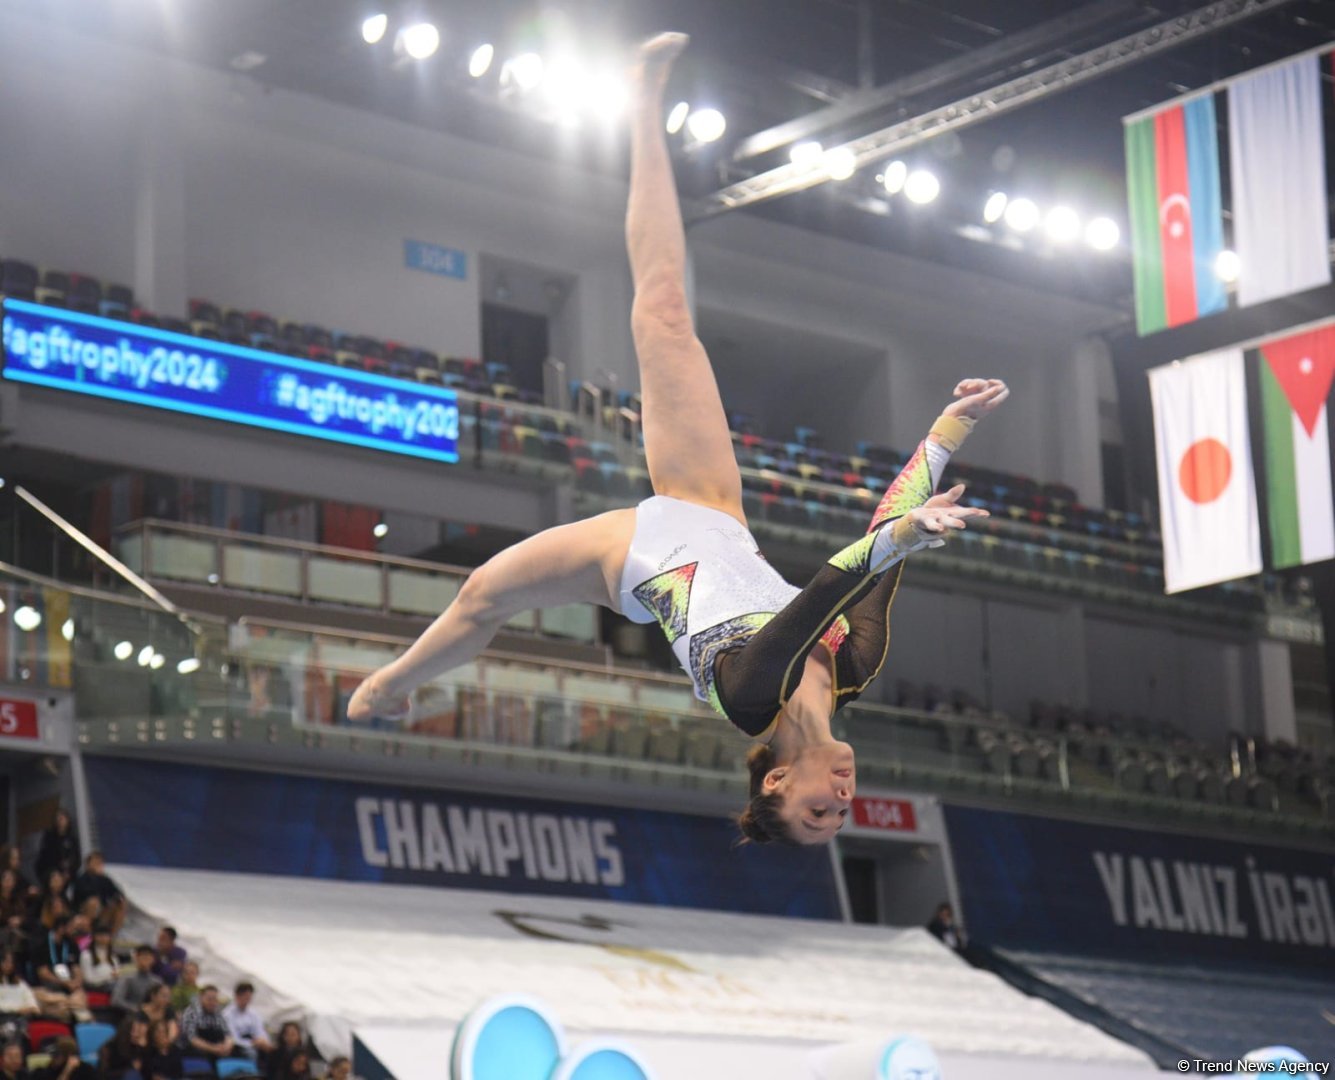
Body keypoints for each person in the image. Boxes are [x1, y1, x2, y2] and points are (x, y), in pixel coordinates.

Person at [347, 33, 1008, 847]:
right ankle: (641, 102)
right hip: (710, 510)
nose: (843, 796)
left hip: (624, 555)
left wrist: (907, 536)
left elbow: (821, 594)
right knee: (661, 305)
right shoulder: (855, 669)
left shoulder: (748, 698)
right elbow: (878, 550)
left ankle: (390, 684)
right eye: (843, 812)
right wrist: (951, 428)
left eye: (816, 810)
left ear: (774, 780)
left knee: (481, 595)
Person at [25, 914, 90, 1022]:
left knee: (80, 1001)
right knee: (61, 1005)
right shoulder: (42, 943)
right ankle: (69, 1006)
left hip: (69, 988)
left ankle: (71, 1006)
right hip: (45, 988)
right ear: (61, 928)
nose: (74, 930)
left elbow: (76, 967)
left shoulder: (71, 944)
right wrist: (64, 983)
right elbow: (43, 973)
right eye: (71, 927)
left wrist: (77, 981)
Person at [69, 853, 124, 936]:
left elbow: (116, 892)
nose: (98, 865)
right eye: (95, 862)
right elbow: (86, 893)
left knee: (122, 904)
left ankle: (110, 936)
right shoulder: (81, 878)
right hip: (83, 911)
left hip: (102, 911)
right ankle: (88, 933)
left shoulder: (105, 879)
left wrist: (118, 898)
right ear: (88, 865)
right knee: (93, 902)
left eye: (100, 862)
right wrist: (96, 878)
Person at [178, 985, 234, 1063]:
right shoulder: (191, 1012)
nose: (212, 1002)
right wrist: (213, 1049)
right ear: (201, 997)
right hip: (194, 1049)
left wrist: (227, 1046)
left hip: (215, 1048)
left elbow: (227, 1033)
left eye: (214, 999)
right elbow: (192, 1039)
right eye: (209, 999)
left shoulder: (217, 1013)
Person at [221, 981, 271, 1060]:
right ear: (237, 996)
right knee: (251, 1053)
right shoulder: (227, 1014)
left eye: (248, 997)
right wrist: (251, 1044)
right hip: (238, 1046)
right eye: (244, 997)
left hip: (254, 1042)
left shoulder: (254, 1014)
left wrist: (262, 1041)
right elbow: (233, 1037)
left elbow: (259, 1031)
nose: (246, 1000)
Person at [110, 946, 161, 1017]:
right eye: (143, 956)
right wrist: (138, 1008)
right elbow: (116, 1000)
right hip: (130, 1016)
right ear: (136, 958)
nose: (146, 959)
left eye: (148, 956)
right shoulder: (127, 978)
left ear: (153, 959)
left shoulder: (157, 981)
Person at [34, 813, 79, 889]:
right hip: (51, 870)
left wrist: (69, 871)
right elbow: (46, 856)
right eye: (58, 819)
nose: (60, 821)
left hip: (69, 875)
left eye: (62, 818)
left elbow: (76, 858)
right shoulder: (49, 836)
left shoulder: (72, 838)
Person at [100, 1014, 149, 1080]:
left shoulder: (138, 1047)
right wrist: (130, 1068)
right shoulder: (111, 1047)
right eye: (133, 1031)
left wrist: (143, 1048)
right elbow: (104, 1074)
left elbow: (147, 1072)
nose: (136, 1035)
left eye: (138, 1031)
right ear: (126, 1031)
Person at [29, 1037, 93, 1080]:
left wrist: (69, 1069)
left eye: (58, 1054)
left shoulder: (85, 1070)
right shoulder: (44, 1072)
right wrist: (66, 1072)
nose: (53, 1058)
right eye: (54, 1055)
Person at [78, 925, 119, 992]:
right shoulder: (86, 955)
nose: (104, 938)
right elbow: (88, 979)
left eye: (106, 935)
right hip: (95, 986)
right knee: (117, 987)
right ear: (95, 937)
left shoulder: (113, 957)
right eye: (101, 935)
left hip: (111, 984)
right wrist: (109, 976)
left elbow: (116, 974)